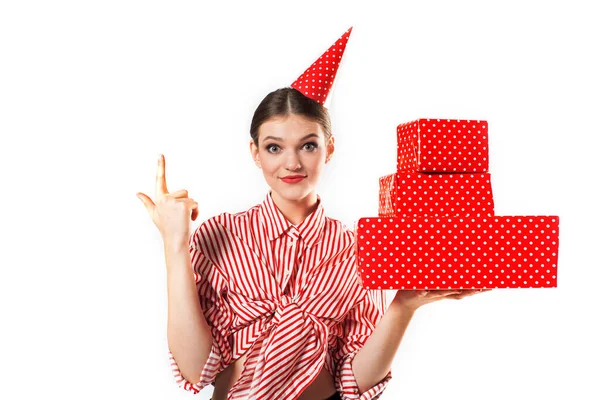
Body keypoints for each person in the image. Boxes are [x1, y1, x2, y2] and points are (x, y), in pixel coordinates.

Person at [136, 28, 489, 400]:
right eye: (274, 147)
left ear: (329, 149)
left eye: (308, 145)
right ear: (255, 153)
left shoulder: (357, 247)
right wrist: (174, 245)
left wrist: (404, 305)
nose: (291, 163)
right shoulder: (219, 234)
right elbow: (195, 371)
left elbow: (355, 382)